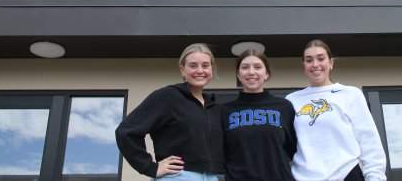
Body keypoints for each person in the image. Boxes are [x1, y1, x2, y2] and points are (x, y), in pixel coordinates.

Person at [115, 43, 224, 180]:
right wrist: (150, 167)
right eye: (193, 65)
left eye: (205, 65)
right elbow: (126, 131)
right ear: (182, 69)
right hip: (178, 176)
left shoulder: (214, 107)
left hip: (212, 177)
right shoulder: (167, 96)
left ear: (212, 69)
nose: (200, 70)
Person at [286, 40, 387, 181]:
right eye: (309, 60)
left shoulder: (350, 94)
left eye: (321, 58)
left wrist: (375, 177)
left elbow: (369, 142)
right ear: (304, 65)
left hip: (346, 175)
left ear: (331, 62)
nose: (315, 64)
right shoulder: (291, 100)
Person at [221, 49, 297, 181]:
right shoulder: (224, 111)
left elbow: (295, 150)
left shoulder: (284, 107)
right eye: (245, 67)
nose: (251, 72)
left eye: (257, 67)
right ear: (238, 75)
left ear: (266, 73)